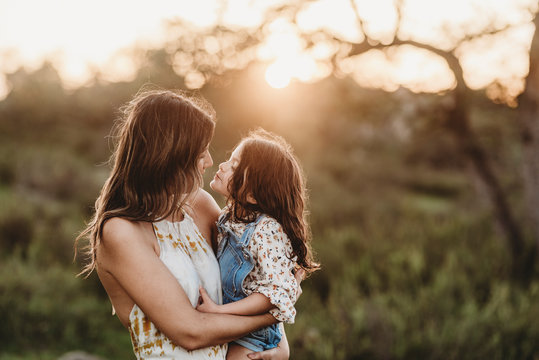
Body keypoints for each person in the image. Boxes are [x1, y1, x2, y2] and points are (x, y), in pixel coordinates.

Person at [76, 89, 299, 359]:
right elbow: (190, 332)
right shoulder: (120, 232)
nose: (209, 161)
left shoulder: (200, 205)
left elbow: (258, 273)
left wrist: (278, 344)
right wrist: (273, 315)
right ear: (170, 156)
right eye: (200, 152)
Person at [196, 129, 320, 359]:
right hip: (233, 327)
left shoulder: (266, 229)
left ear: (252, 195)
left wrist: (220, 311)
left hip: (252, 338)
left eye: (234, 166)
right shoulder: (229, 217)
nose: (221, 166)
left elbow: (276, 292)